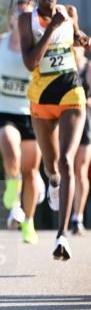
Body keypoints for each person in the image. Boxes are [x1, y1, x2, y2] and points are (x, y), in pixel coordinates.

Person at [13, 0, 90, 260]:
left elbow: (77, 40)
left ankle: (62, 236)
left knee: (69, 161)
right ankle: (54, 183)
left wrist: (81, 38)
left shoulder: (68, 12)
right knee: (52, 167)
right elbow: (30, 62)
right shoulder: (26, 20)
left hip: (72, 93)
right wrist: (50, 29)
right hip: (41, 99)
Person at [0, 0, 44, 244]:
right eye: (19, 14)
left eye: (28, 15)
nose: (23, 18)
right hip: (4, 112)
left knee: (31, 171)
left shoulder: (37, 46)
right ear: (11, 18)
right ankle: (13, 201)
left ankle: (29, 222)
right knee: (10, 150)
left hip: (32, 115)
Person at [71, 47, 91, 234]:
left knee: (80, 171)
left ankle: (78, 218)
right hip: (65, 125)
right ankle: (66, 214)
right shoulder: (64, 67)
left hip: (85, 125)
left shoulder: (88, 68)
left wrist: (83, 102)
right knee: (63, 168)